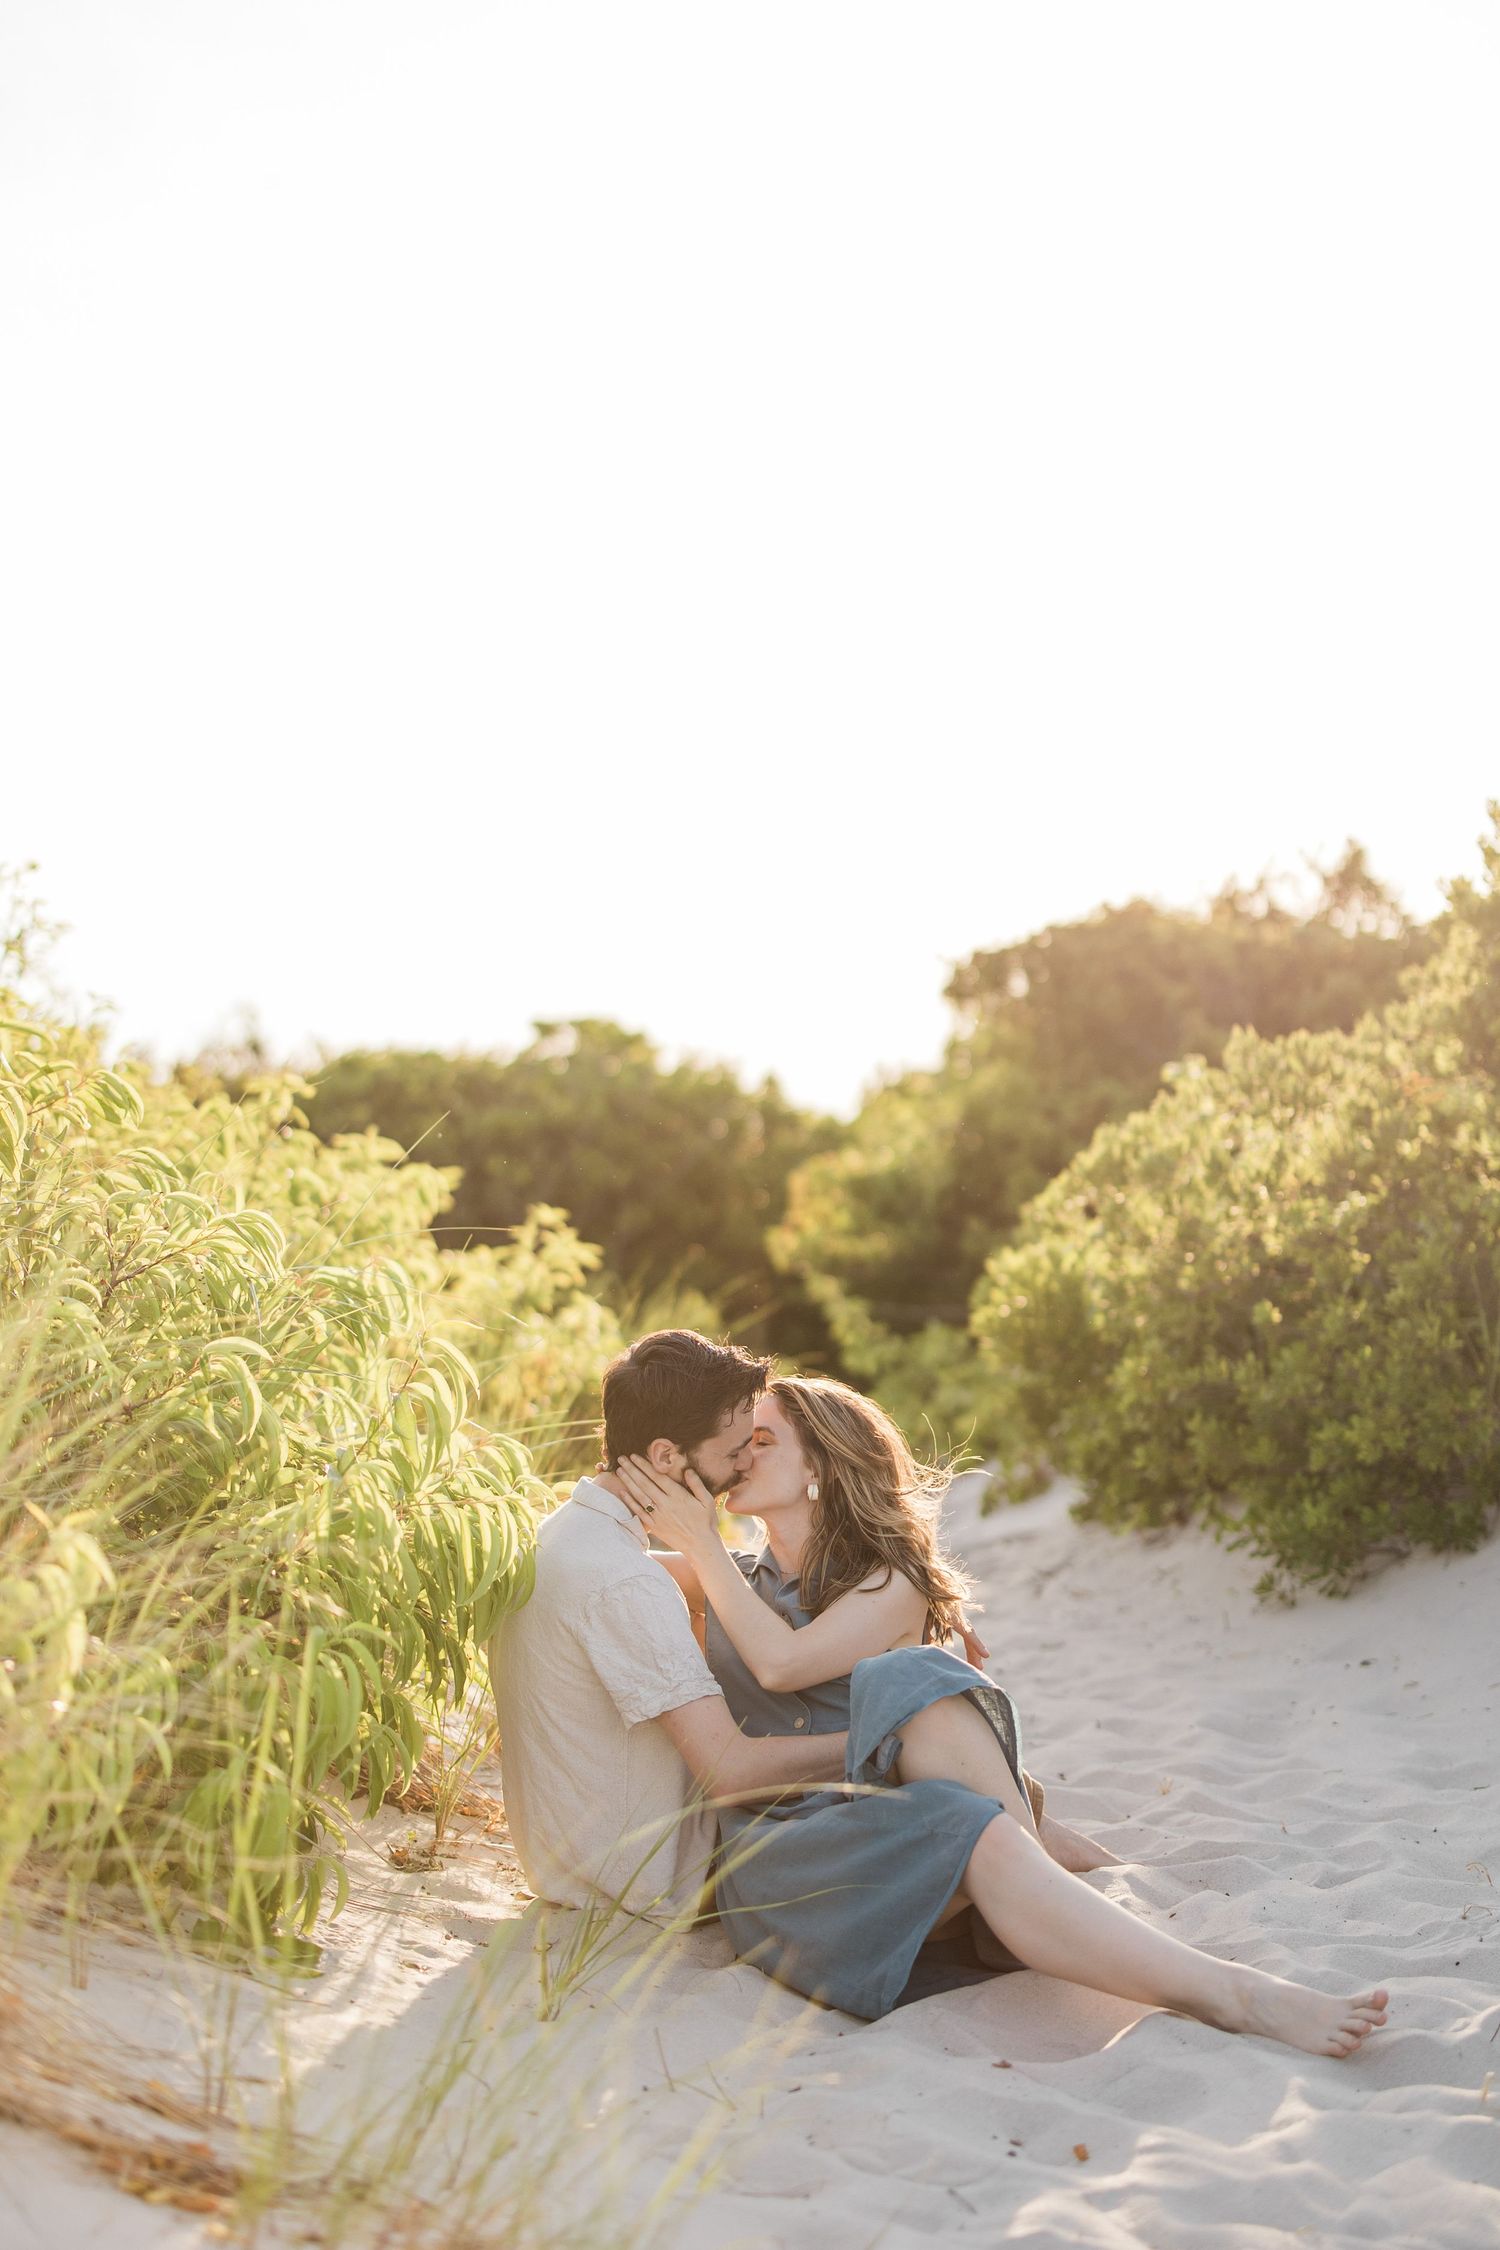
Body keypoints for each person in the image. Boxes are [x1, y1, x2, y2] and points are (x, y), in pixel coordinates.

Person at [609, 1364, 1390, 2058]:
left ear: (821, 1463)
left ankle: (1229, 1991)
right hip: (792, 1859)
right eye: (737, 1442)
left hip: (904, 1827)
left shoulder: (887, 1581)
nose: (740, 1455)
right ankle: (1042, 1875)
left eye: (763, 1440)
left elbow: (781, 1663)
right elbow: (600, 1559)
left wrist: (705, 1552)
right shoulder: (715, 1575)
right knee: (930, 1695)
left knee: (929, 1711)